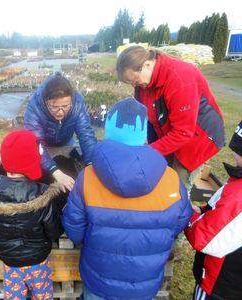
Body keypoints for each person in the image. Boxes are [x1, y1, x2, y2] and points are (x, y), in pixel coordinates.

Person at [62, 97, 193, 299]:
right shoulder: (171, 179)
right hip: (145, 282)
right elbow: (180, 221)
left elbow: (74, 226)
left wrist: (92, 241)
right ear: (143, 134)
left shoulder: (88, 177)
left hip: (99, 279)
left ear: (109, 129)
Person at [0, 130, 63, 300]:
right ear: (33, 161)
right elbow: (54, 231)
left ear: (4, 160)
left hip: (10, 264)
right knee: (43, 297)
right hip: (38, 262)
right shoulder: (43, 195)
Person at [116, 45, 226, 190]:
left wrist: (147, 152)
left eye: (135, 80)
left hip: (196, 138)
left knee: (176, 187)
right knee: (160, 174)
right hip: (169, 133)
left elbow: (183, 132)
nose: (134, 85)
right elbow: (143, 114)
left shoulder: (180, 79)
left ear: (147, 65)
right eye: (130, 82)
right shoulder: (144, 83)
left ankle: (180, 208)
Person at [184, 120, 242, 300]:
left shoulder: (237, 195)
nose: (234, 156)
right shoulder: (235, 185)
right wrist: (201, 211)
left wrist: (185, 211)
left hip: (219, 287)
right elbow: (214, 209)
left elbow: (204, 238)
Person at [24, 72, 97, 192]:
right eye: (54, 107)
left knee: (67, 165)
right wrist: (55, 171)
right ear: (46, 101)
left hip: (66, 140)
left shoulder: (77, 103)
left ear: (71, 101)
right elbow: (36, 143)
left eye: (65, 106)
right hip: (44, 144)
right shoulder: (35, 107)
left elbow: (86, 135)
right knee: (48, 176)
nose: (60, 112)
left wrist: (91, 165)